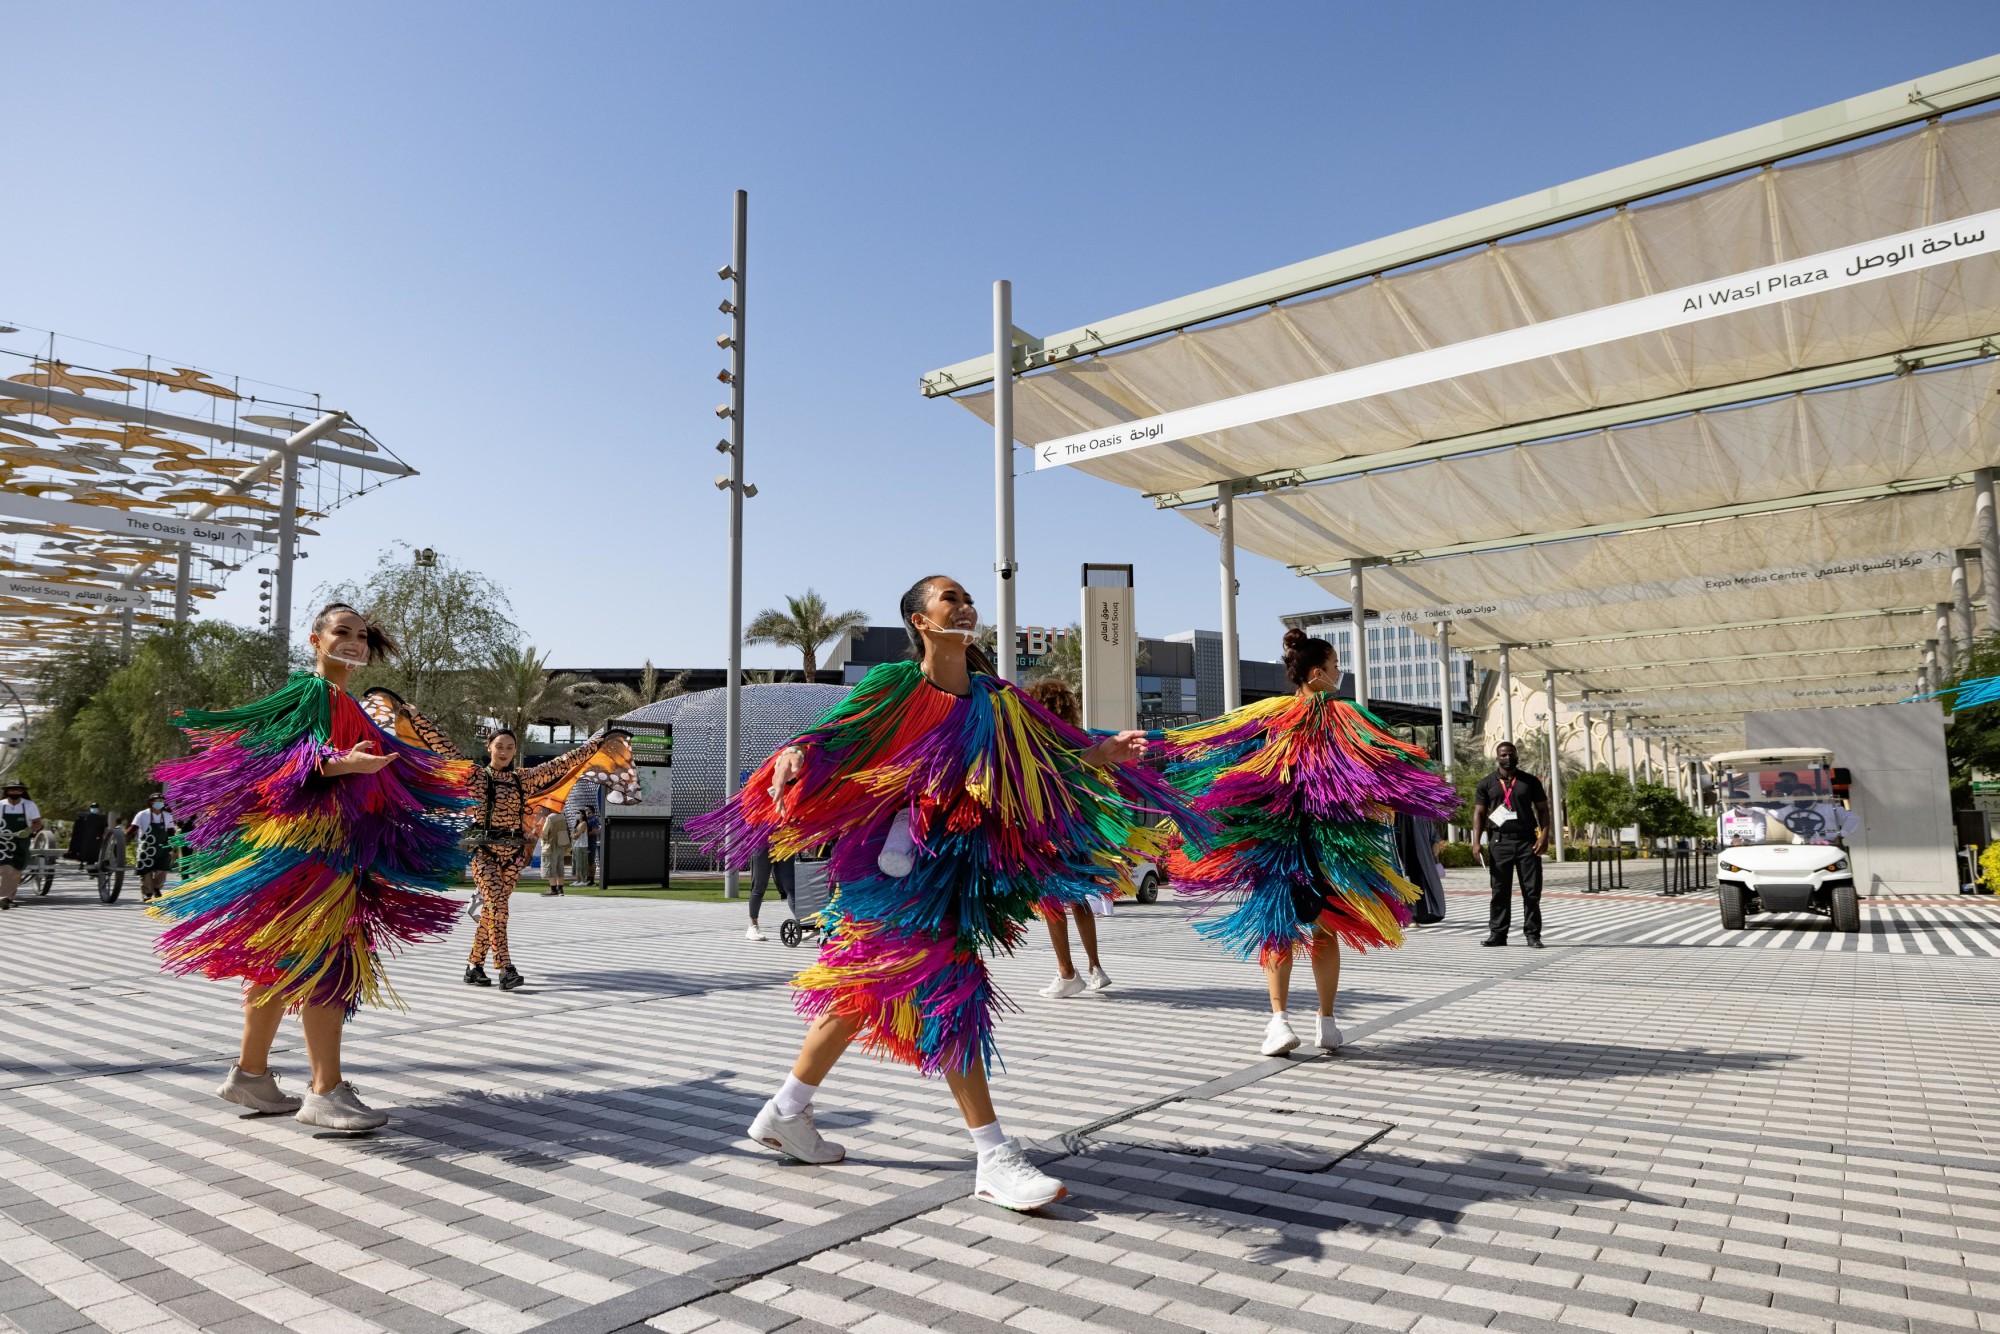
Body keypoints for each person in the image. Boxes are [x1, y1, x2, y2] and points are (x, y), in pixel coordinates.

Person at [691, 574, 1194, 1212]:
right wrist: (794, 750)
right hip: (889, 870)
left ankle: (784, 1111)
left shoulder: (997, 698)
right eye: (948, 598)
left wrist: (1107, 752)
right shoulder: (894, 686)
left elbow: (1052, 756)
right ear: (921, 621)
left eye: (966, 598)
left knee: (862, 992)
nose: (964, 605)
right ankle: (992, 1155)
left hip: (956, 869)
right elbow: (832, 733)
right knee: (950, 989)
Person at [152, 602, 474, 1132]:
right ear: (315, 639)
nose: (353, 642)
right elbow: (291, 758)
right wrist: (341, 764)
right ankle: (325, 1092)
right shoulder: (313, 692)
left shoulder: (345, 702)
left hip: (309, 850)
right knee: (329, 962)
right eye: (341, 632)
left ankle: (251, 1075)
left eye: (361, 636)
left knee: (277, 964)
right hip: (315, 855)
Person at [1155, 630, 1456, 1056]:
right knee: (1325, 930)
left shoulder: (1265, 715)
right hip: (1331, 847)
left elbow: (1221, 755)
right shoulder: (1347, 717)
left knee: (1277, 929)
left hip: (1275, 844)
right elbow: (1386, 768)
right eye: (1335, 667)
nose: (1339, 673)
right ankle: (1326, 1023)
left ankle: (1279, 1021)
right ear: (1318, 674)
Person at [383, 705, 633, 991]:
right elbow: (443, 747)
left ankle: (473, 966)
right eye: (499, 746)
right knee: (498, 907)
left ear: (515, 751)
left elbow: (561, 764)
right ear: (489, 747)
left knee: (491, 910)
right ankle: (505, 968)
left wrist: (598, 743)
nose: (504, 751)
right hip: (483, 852)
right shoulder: (474, 776)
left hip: (513, 855)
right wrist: (416, 718)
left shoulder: (523, 780)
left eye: (510, 747)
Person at [1025, 678, 1114, 997]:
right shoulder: (1079, 739)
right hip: (1078, 829)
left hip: (1047, 829)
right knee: (1078, 900)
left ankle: (1066, 973)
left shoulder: (1039, 743)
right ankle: (1095, 968)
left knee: (1049, 900)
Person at [1472, 742, 1552, 948]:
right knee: (1499, 890)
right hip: (1500, 842)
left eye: (1511, 754)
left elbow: (1543, 809)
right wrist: (1476, 842)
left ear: (1517, 756)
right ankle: (1498, 934)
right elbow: (1479, 813)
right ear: (1497, 757)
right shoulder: (1486, 784)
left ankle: (1533, 935)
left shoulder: (1530, 781)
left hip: (1527, 842)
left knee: (1531, 891)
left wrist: (1544, 836)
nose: (1507, 758)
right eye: (1503, 754)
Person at [0, 780, 45, 910]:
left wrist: (29, 830)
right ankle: (3, 897)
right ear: (6, 791)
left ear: (22, 792)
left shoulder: (30, 805)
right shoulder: (1, 805)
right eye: (12, 790)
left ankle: (9, 897)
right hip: (3, 842)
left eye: (18, 790)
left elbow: (38, 823)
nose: (15, 792)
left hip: (21, 841)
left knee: (16, 871)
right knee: (5, 868)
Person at [127, 794, 178, 901]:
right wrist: (123, 838)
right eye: (157, 800)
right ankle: (147, 893)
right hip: (146, 848)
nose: (159, 802)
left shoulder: (167, 816)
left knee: (162, 870)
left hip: (162, 847)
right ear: (151, 802)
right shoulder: (142, 814)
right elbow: (133, 828)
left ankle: (157, 888)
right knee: (145, 871)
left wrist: (174, 846)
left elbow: (171, 833)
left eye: (161, 801)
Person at [744, 846, 795, 941]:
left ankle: (803, 923)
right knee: (759, 885)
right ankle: (753, 925)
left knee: (791, 887)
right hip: (763, 842)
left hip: (785, 840)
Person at [539, 808, 572, 897]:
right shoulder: (562, 816)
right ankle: (560, 888)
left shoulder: (550, 817)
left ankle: (553, 889)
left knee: (550, 867)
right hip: (561, 844)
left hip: (551, 845)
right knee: (560, 867)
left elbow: (545, 832)